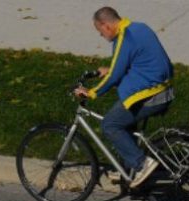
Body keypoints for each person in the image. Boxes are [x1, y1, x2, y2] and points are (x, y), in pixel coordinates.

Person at [73, 6, 174, 188]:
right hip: (163, 88)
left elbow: (115, 76)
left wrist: (92, 92)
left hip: (149, 95)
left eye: (100, 30)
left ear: (106, 25)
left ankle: (142, 164)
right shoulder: (139, 28)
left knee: (110, 124)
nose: (101, 35)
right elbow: (133, 61)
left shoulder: (123, 38)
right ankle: (127, 170)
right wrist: (111, 70)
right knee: (125, 125)